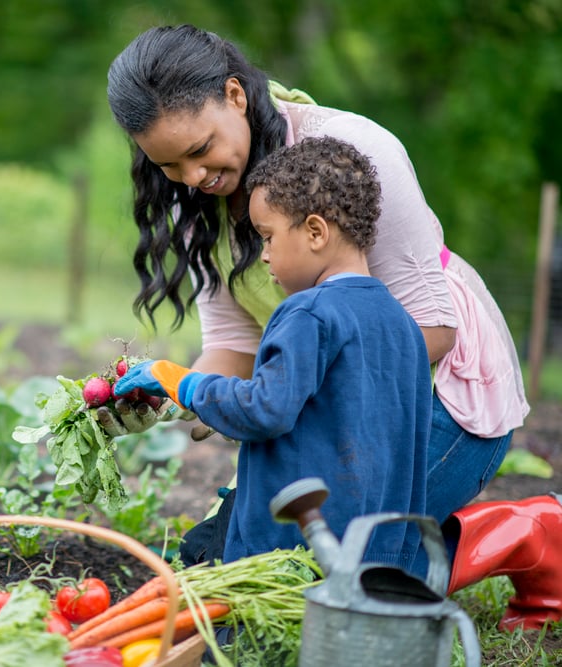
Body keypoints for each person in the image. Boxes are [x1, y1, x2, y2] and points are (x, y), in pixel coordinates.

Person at [104, 24, 560, 631]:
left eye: (201, 149)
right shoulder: (196, 201)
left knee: (321, 576)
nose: (192, 177)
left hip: (435, 395)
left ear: (236, 96)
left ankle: (525, 534)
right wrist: (163, 393)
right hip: (317, 395)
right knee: (219, 561)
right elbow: (233, 348)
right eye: (169, 164)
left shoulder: (350, 151)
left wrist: (285, 397)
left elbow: (432, 331)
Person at [116, 136, 433, 576]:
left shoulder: (308, 313)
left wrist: (181, 381)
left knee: (217, 614)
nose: (263, 256)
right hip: (375, 558)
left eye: (267, 237)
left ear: (316, 232)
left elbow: (264, 410)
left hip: (288, 554)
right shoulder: (402, 325)